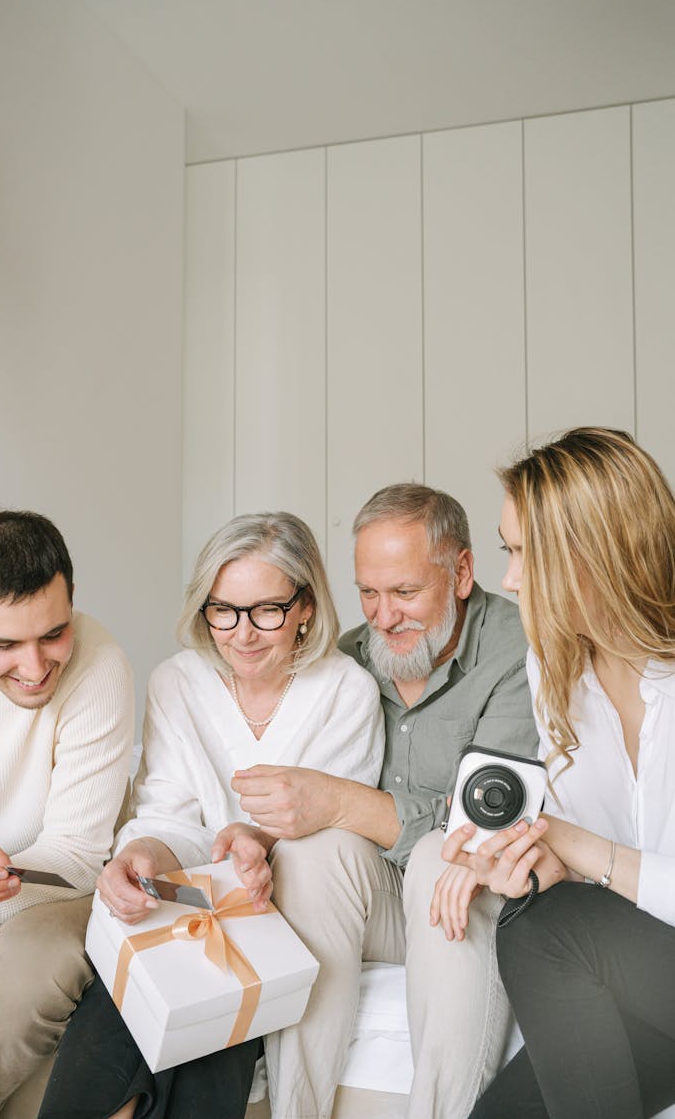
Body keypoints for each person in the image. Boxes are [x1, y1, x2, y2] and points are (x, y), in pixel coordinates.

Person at [39, 510, 384, 1119]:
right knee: (122, 1009)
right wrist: (140, 856)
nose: (242, 634)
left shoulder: (346, 691)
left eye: (266, 611)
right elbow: (166, 812)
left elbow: (327, 839)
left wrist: (255, 844)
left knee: (211, 1018)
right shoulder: (178, 681)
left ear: (306, 605)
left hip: (272, 918)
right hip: (180, 907)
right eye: (222, 610)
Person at [232, 484, 539, 1119]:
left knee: (437, 855)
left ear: (460, 573)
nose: (383, 615)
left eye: (404, 593)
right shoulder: (347, 660)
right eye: (368, 593)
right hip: (382, 902)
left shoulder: (518, 652)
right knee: (313, 855)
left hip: (475, 898)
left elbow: (483, 833)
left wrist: (340, 801)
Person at [441, 427, 675, 1119]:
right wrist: (534, 865)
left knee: (542, 926)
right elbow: (589, 880)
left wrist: (575, 849)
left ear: (595, 557)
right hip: (644, 967)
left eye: (522, 553)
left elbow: (594, 862)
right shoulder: (557, 666)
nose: (507, 579)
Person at [0, 510, 134, 1119]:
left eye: (53, 634)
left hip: (56, 890)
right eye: (5, 644)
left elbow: (72, 859)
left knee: (32, 971)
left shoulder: (101, 666)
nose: (37, 667)